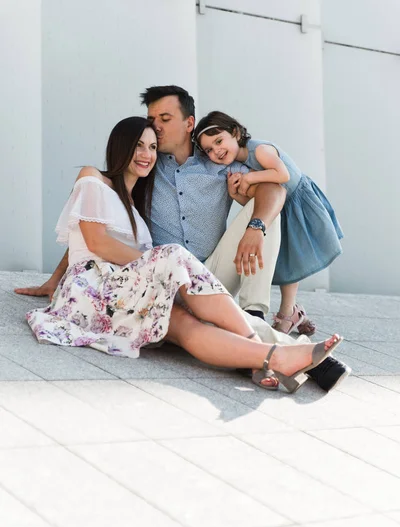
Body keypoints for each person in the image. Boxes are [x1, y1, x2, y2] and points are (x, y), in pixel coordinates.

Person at [16, 85, 350, 391]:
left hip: (205, 273)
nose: (156, 129)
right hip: (160, 278)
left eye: (164, 119)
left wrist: (255, 227)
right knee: (183, 293)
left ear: (189, 122)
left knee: (263, 215)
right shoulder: (142, 170)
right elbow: (92, 229)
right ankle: (288, 357)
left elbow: (276, 189)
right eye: (150, 121)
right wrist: (56, 279)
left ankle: (255, 311)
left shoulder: (218, 162)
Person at [194, 110, 344, 337]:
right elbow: (254, 203)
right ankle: (293, 313)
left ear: (235, 133)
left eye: (219, 141)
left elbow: (282, 175)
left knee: (295, 261)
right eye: (209, 150)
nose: (217, 151)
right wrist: (236, 195)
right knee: (284, 261)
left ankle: (288, 314)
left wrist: (251, 178)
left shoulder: (259, 150)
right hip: (279, 209)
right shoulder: (239, 165)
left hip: (297, 202)